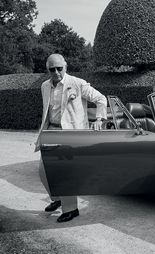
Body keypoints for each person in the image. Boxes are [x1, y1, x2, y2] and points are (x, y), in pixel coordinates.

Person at [34, 54, 107, 222]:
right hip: (51, 131)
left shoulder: (77, 83)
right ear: (48, 70)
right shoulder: (45, 86)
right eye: (52, 69)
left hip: (70, 134)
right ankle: (57, 199)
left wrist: (98, 119)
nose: (56, 72)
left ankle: (71, 210)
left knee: (65, 173)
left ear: (65, 66)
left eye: (59, 68)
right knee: (43, 172)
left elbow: (101, 99)